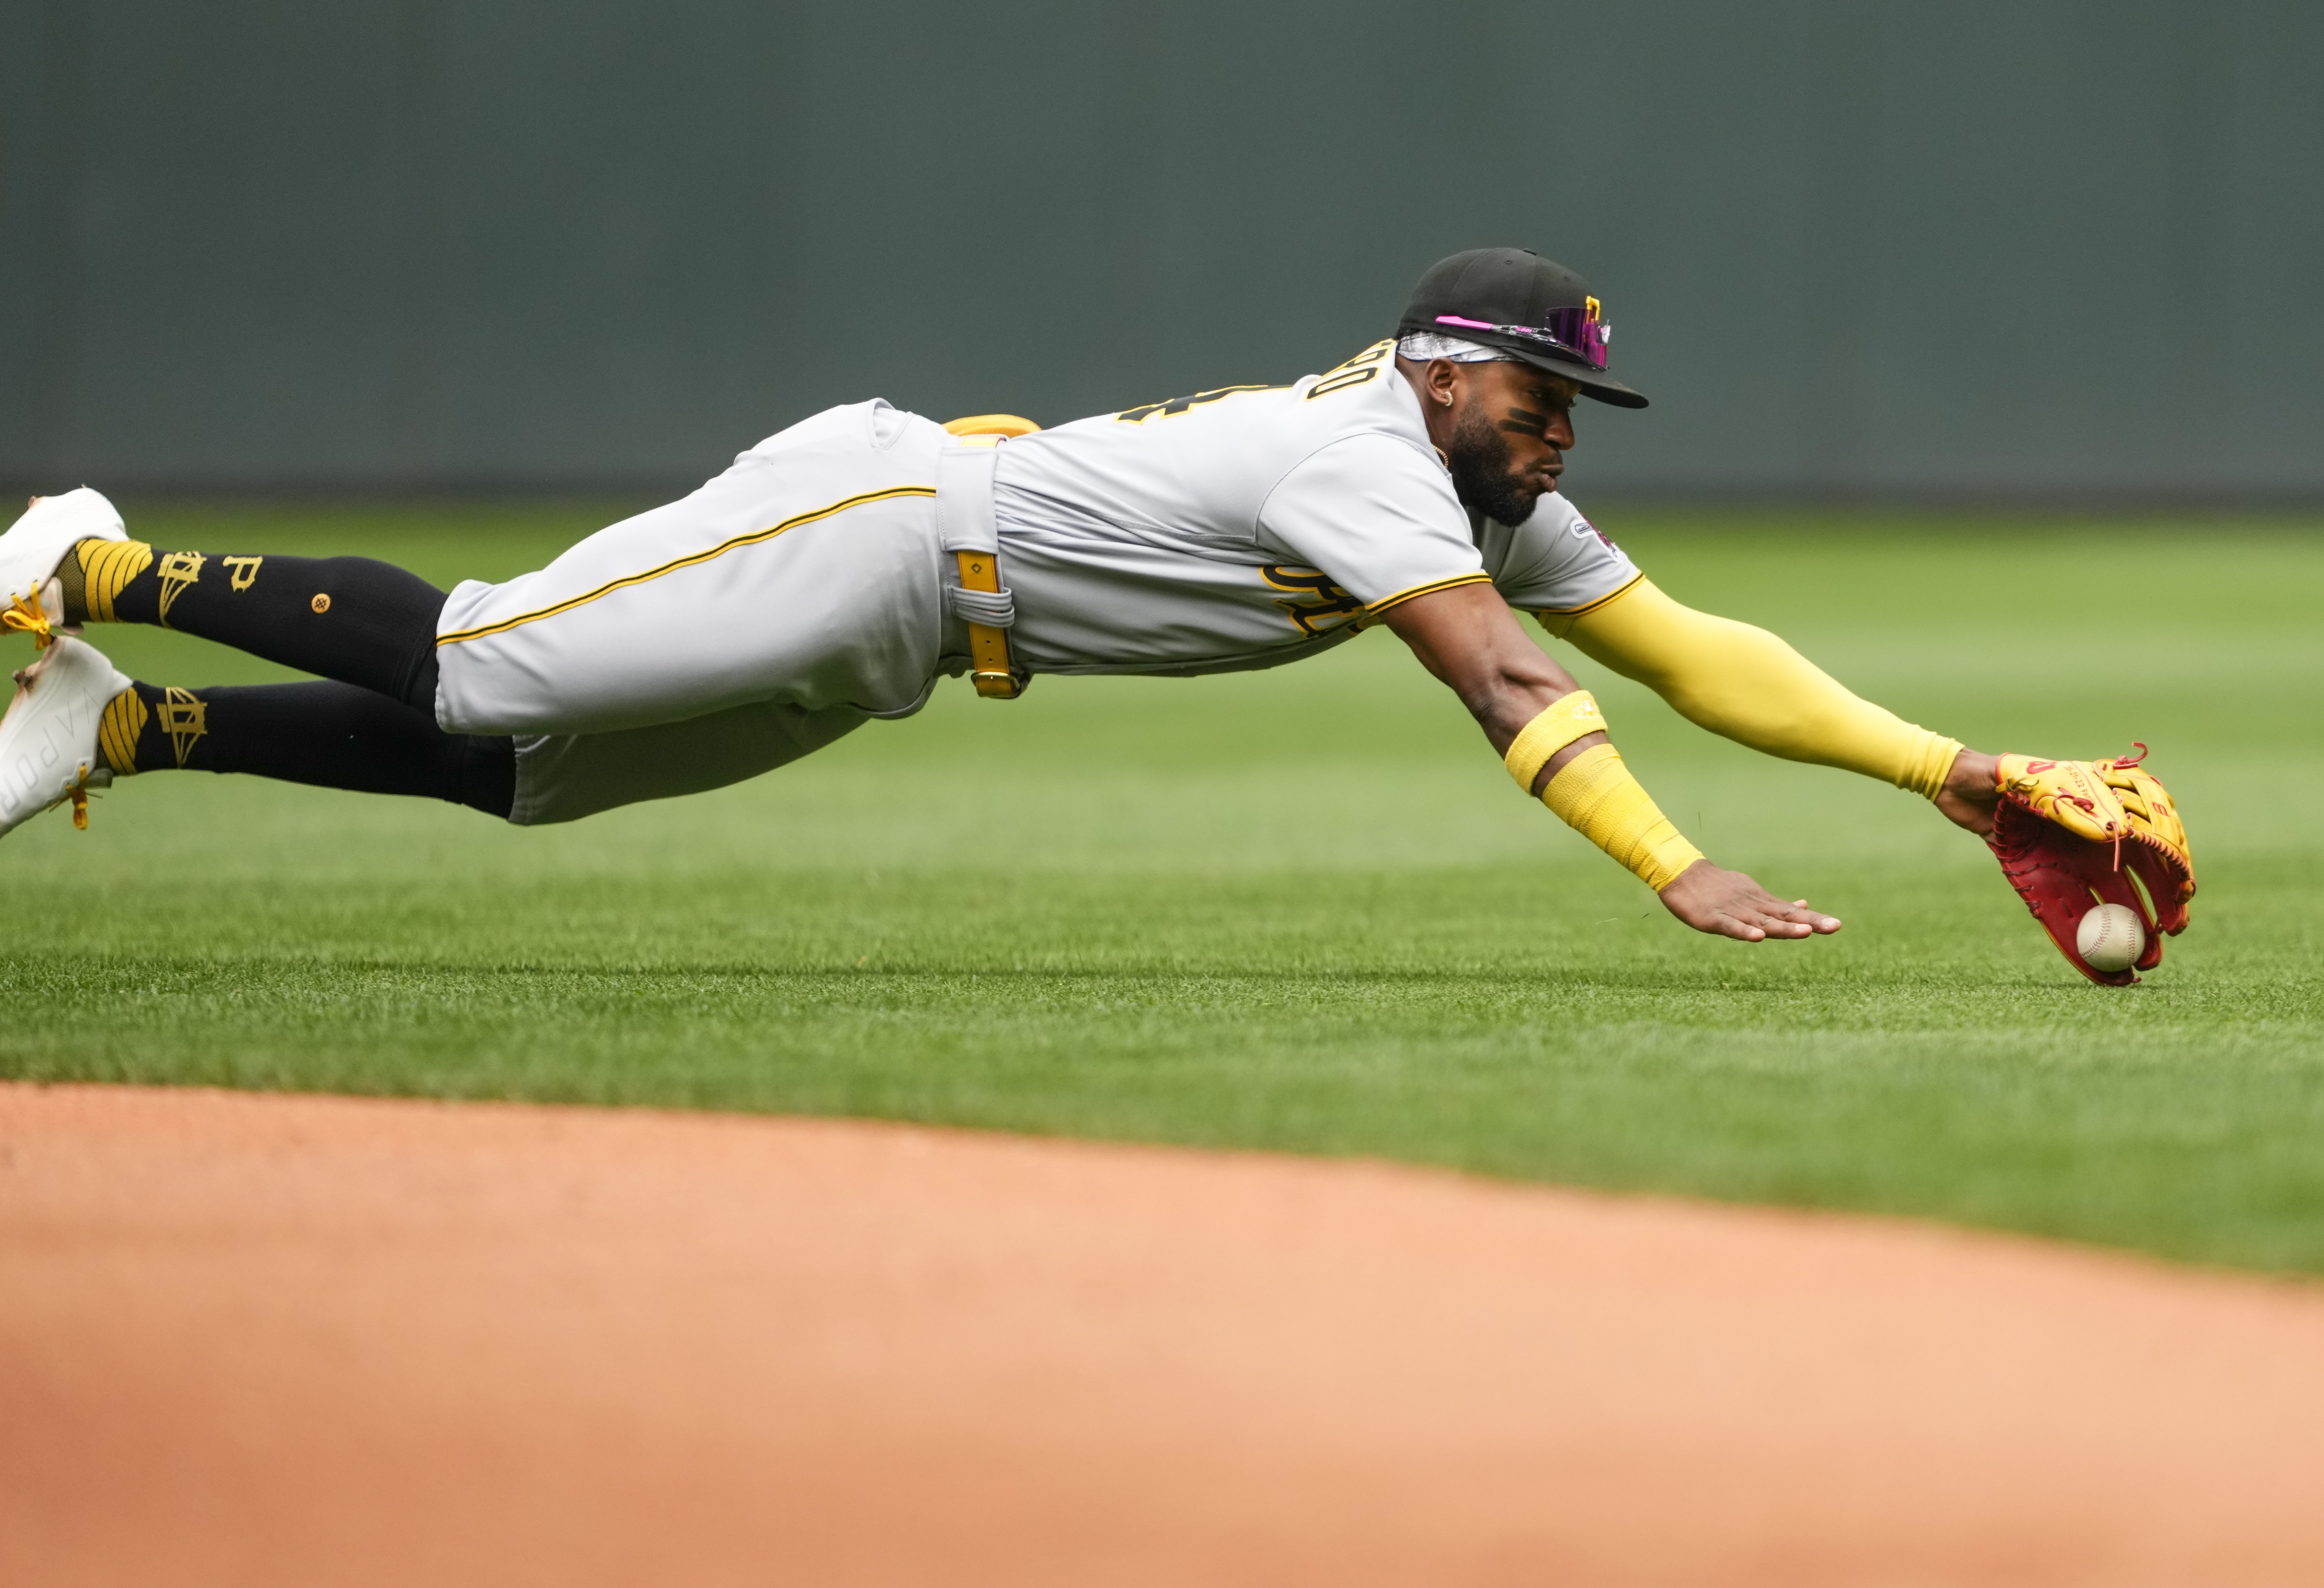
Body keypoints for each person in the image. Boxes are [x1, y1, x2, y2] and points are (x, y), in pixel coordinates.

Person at [0, 248, 2191, 977]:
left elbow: (1697, 651)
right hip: (871, 523)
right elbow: (1506, 682)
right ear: (1446, 372)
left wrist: (1953, 772)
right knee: (486, 653)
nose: (1562, 436)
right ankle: (91, 560)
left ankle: (119, 727)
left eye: (1574, 407)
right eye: (1543, 395)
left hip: (907, 642)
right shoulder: (1368, 455)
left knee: (524, 779)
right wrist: (1666, 861)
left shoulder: (1478, 489)